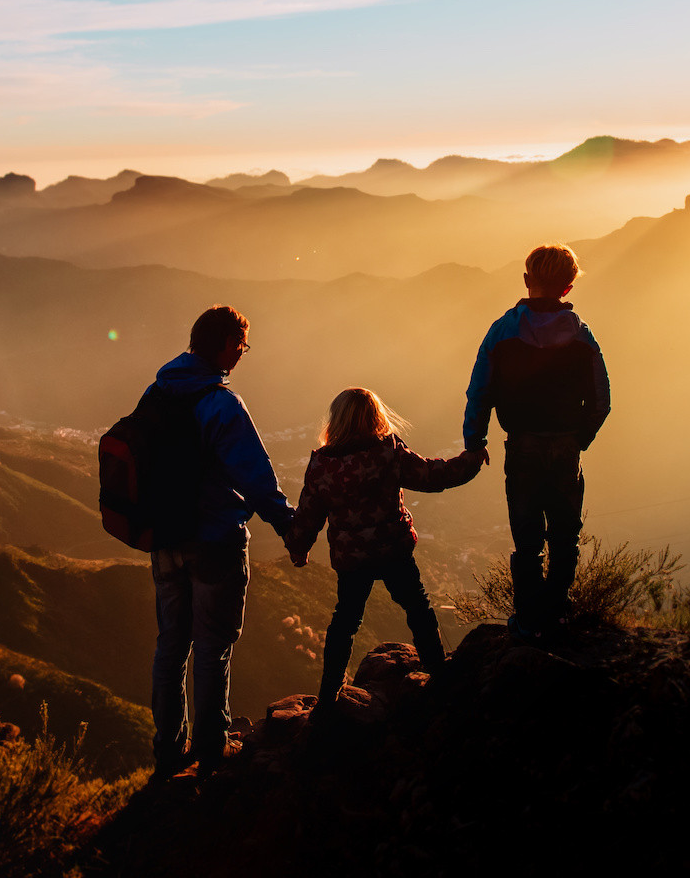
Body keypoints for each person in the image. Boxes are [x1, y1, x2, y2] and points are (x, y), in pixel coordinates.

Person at [148, 305, 295, 776]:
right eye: (240, 345)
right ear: (225, 345)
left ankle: (168, 750)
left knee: (171, 646)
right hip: (214, 541)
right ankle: (211, 748)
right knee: (212, 647)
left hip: (165, 539)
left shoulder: (158, 391)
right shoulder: (221, 404)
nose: (242, 354)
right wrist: (290, 525)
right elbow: (255, 478)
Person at [285, 387, 483, 709]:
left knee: (345, 621)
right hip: (393, 550)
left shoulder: (322, 465)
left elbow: (308, 515)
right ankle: (438, 671)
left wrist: (298, 548)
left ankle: (329, 693)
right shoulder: (388, 453)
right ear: (375, 418)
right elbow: (433, 475)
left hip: (352, 558)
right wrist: (471, 461)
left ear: (336, 421)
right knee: (417, 607)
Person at [462, 244, 611, 641]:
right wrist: (581, 436)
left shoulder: (503, 331)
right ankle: (558, 614)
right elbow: (601, 398)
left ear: (527, 281)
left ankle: (528, 622)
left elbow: (480, 390)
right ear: (568, 287)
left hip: (522, 446)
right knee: (565, 535)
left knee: (527, 540)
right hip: (566, 449)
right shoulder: (582, 337)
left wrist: (474, 441)